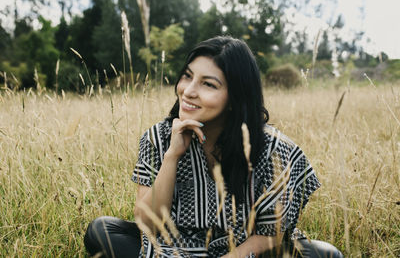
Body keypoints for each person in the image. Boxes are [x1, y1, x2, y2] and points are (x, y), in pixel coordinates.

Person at [84, 36, 343, 258]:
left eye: (208, 84)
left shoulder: (274, 148)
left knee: (326, 254)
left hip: (246, 250)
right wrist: (172, 156)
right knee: (101, 231)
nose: (188, 91)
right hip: (176, 247)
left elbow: (271, 233)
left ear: (235, 97)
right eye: (187, 76)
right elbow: (148, 223)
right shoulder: (157, 137)